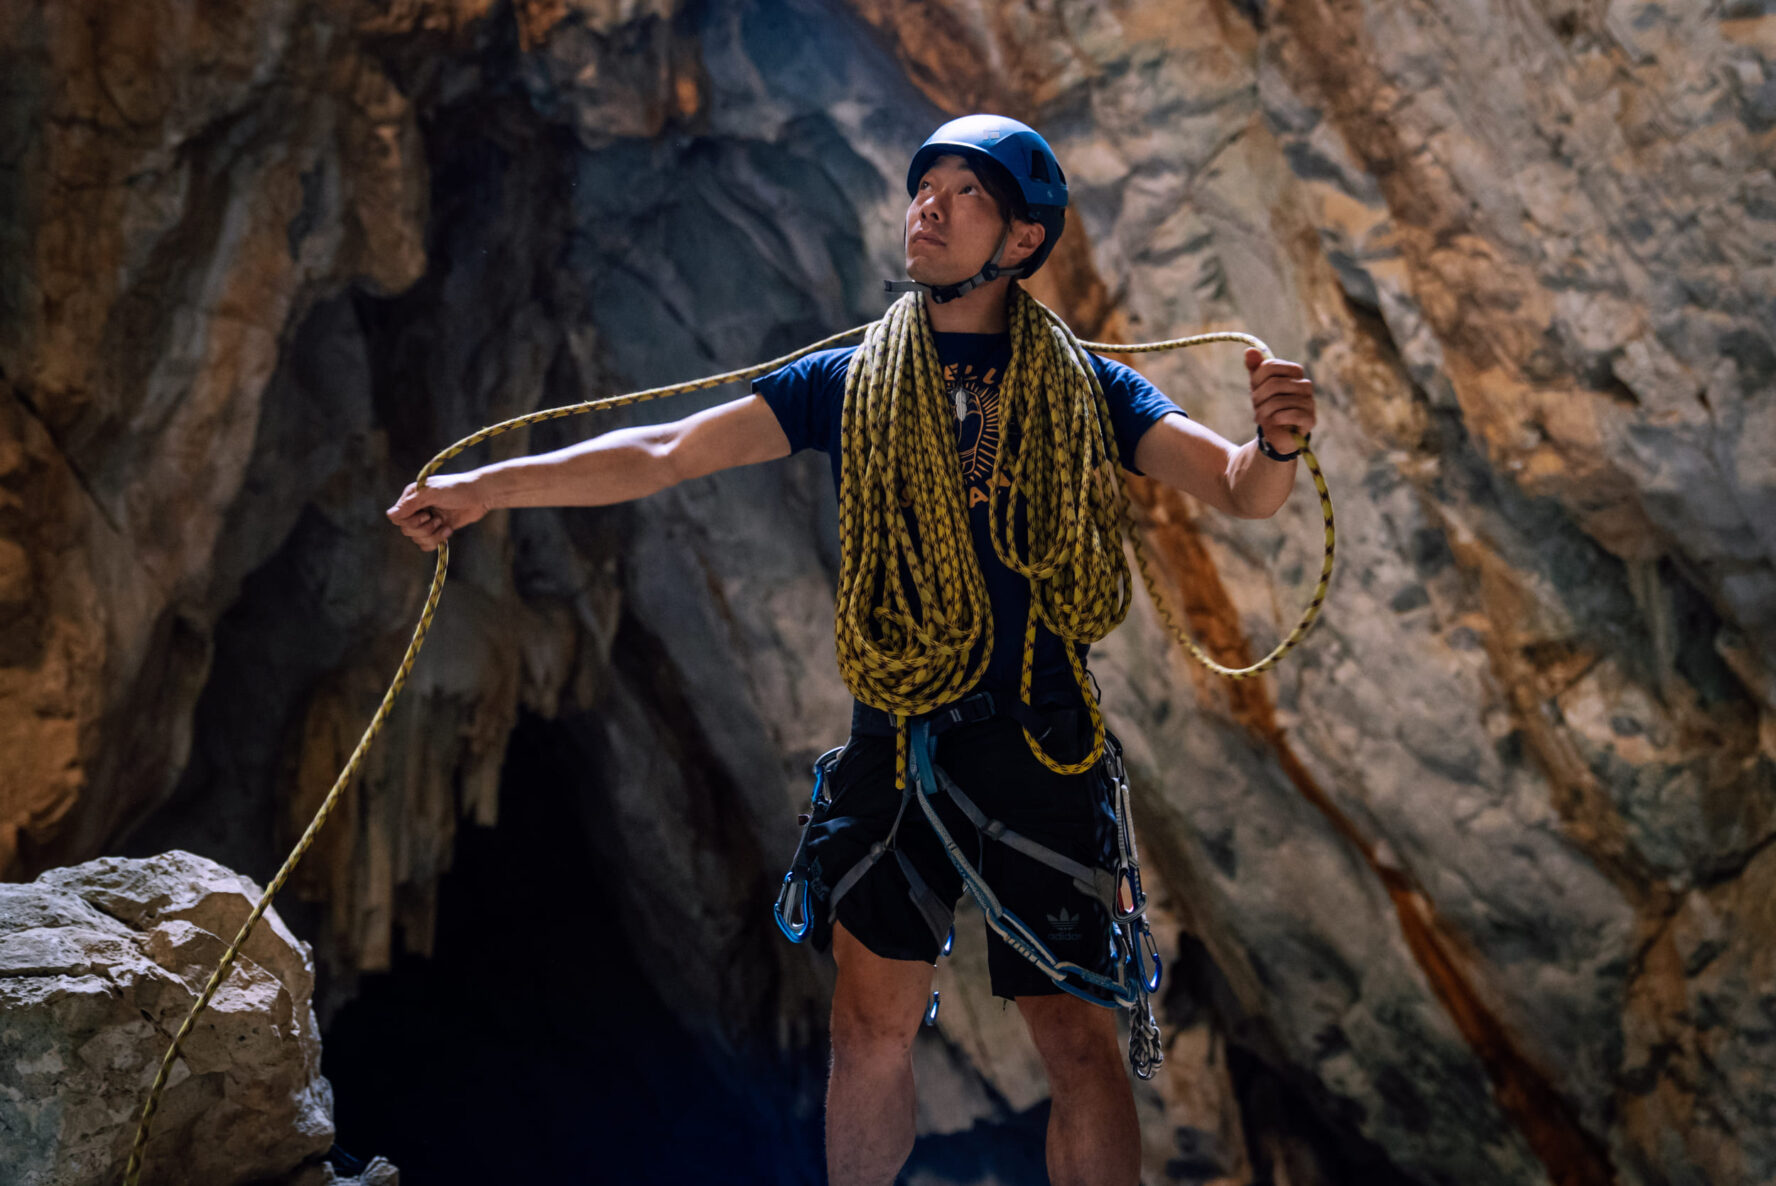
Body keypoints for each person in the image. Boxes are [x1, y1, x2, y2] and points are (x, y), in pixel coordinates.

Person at [388, 114, 1317, 1186]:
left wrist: (1278, 441)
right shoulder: (851, 378)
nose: (927, 204)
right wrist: (482, 489)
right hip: (899, 737)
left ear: (1020, 241)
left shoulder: (1089, 389)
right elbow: (660, 452)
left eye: (966, 193)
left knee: (1076, 1039)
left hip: (1043, 742)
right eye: (925, 187)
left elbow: (1240, 487)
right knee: (867, 1025)